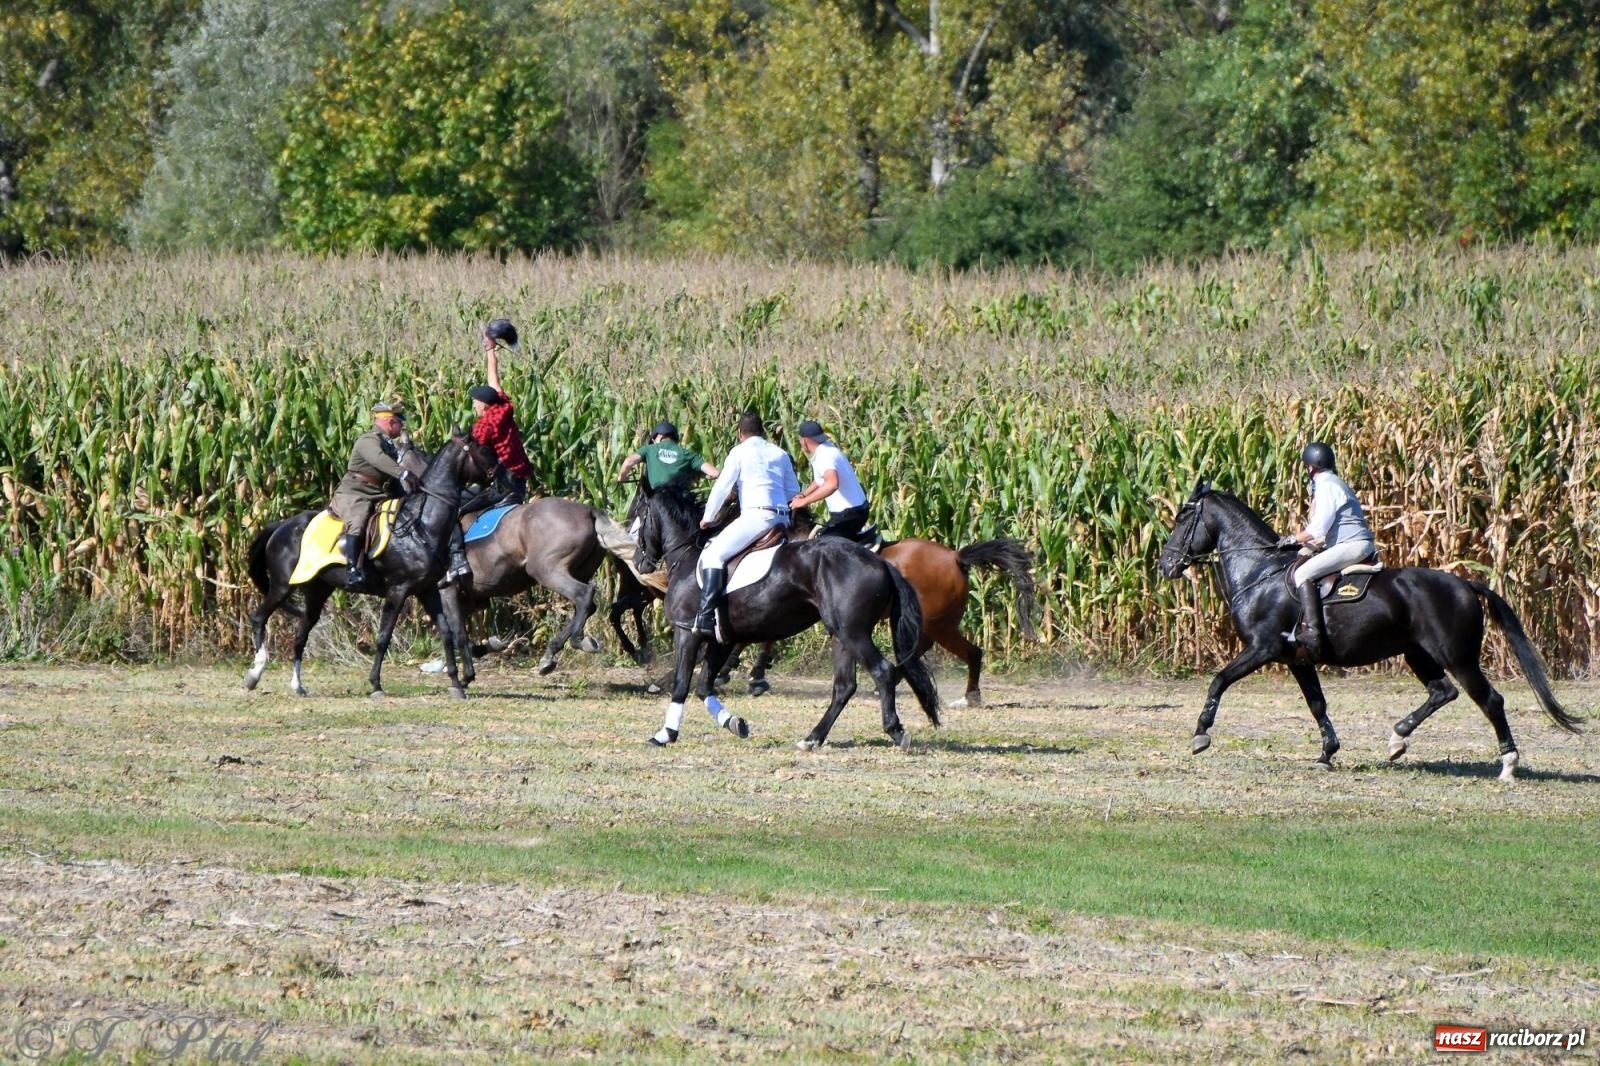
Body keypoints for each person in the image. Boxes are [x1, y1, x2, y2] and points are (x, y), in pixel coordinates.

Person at [442, 318, 535, 587]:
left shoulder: (485, 426)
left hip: (502, 486)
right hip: (519, 481)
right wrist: (489, 350)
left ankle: (457, 560)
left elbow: (470, 452)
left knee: (453, 508)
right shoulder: (503, 407)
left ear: (483, 405)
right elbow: (494, 381)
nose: (473, 403)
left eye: (475, 401)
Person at [694, 411, 801, 635]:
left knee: (714, 554)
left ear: (740, 433)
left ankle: (705, 616)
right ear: (762, 431)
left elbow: (722, 487)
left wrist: (708, 517)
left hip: (756, 516)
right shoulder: (780, 453)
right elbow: (793, 491)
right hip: (783, 518)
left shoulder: (739, 452)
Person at [1279, 441, 1377, 659]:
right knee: (1302, 557)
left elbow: (1317, 529)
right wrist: (1303, 547)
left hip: (1352, 544)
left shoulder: (1326, 485)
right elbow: (1325, 534)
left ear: (1310, 467)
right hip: (1346, 542)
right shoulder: (1333, 482)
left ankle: (1312, 633)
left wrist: (1291, 538)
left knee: (1301, 573)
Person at [331, 402, 413, 586]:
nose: (402, 428)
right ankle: (353, 570)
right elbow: (378, 460)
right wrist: (404, 473)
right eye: (400, 423)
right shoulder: (368, 440)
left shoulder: (388, 443)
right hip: (355, 493)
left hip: (380, 493)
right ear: (391, 422)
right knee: (358, 520)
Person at [789, 419, 873, 542]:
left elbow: (832, 484)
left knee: (823, 547)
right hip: (857, 511)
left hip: (848, 515)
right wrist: (803, 495)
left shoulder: (824, 455)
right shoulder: (827, 448)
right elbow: (820, 481)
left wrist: (804, 502)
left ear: (804, 441)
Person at [618, 421, 720, 491]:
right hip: (681, 499)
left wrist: (622, 477)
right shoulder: (687, 454)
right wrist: (700, 475)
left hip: (657, 496)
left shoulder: (649, 449)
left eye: (653, 440)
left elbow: (628, 462)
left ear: (659, 437)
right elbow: (715, 473)